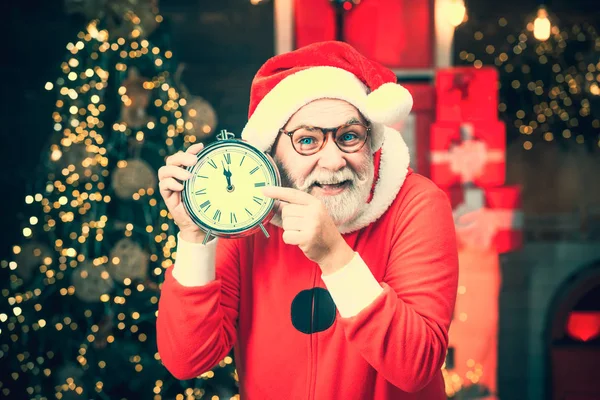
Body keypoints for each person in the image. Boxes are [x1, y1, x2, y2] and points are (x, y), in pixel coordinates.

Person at [156, 41, 459, 400]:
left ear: (371, 141)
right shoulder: (246, 219)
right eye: (307, 140)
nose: (333, 161)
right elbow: (187, 359)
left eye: (349, 137)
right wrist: (195, 238)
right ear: (271, 151)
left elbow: (416, 366)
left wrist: (335, 257)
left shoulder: (417, 205)